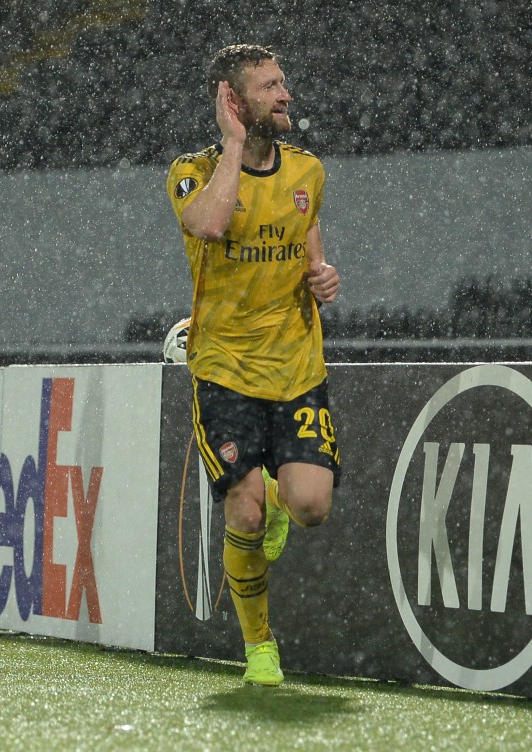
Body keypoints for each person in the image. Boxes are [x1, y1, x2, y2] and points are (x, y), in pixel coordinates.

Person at [166, 44, 342, 687]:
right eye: (269, 87)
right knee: (243, 513)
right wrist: (234, 144)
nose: (285, 94)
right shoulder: (191, 172)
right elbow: (211, 225)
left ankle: (277, 495)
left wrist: (322, 277)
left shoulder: (308, 171)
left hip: (296, 367)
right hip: (225, 370)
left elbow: (308, 246)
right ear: (234, 102)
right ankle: (259, 646)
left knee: (312, 507)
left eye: (282, 82)